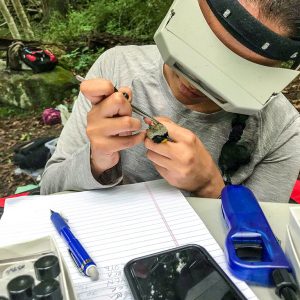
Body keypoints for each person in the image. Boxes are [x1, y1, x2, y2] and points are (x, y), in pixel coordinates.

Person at [40, 0, 300, 203]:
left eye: (237, 71)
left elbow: (265, 246)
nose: (195, 80)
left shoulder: (283, 129)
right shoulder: (117, 67)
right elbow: (49, 189)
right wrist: (97, 161)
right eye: (199, 45)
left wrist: (209, 186)